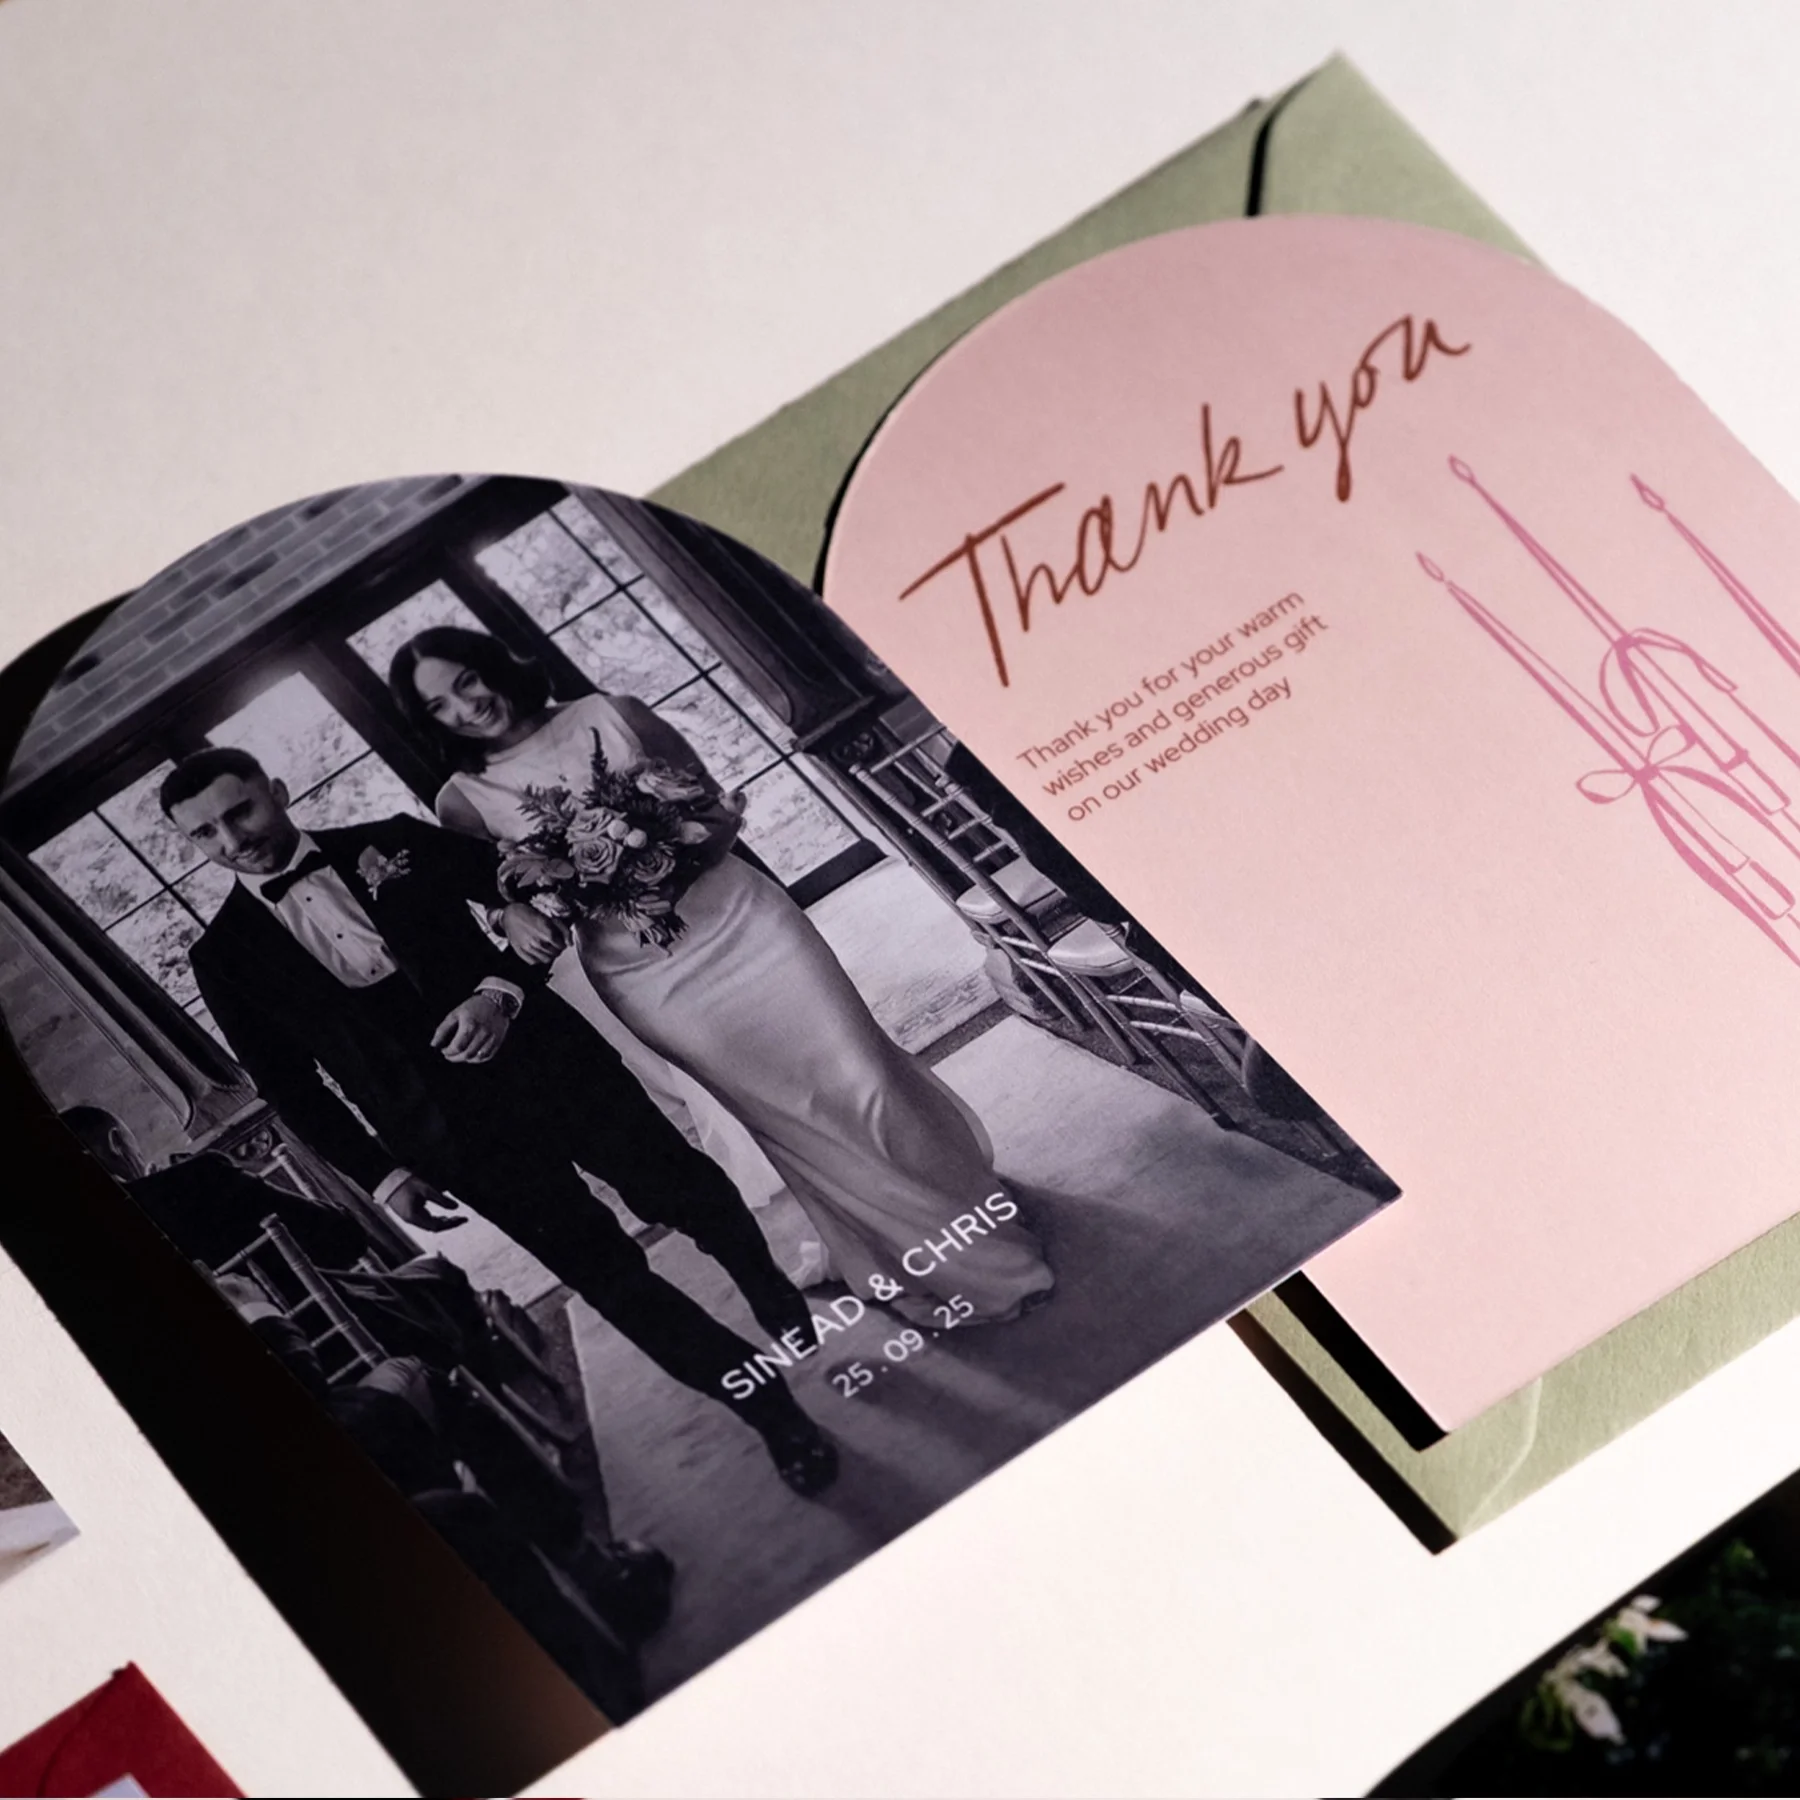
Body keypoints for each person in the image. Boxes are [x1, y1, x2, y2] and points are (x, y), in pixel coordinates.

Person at [158, 746, 836, 1496]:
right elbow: (290, 1087)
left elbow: (531, 893)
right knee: (608, 1276)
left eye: (240, 811)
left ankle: (765, 1283)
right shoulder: (220, 958)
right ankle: (770, 1411)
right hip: (453, 1141)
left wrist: (498, 989)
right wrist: (383, 1177)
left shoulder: (394, 838)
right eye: (205, 834)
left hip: (551, 1064)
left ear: (277, 791)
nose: (232, 840)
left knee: (689, 1193)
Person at [387, 626, 1054, 1327]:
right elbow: (512, 906)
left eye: (466, 681)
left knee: (869, 1081)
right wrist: (542, 901)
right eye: (440, 706)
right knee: (795, 1120)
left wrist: (662, 845)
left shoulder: (613, 712)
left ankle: (962, 1205)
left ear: (493, 666)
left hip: (748, 923)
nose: (466, 707)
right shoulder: (461, 803)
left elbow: (713, 809)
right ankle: (916, 1258)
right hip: (650, 976)